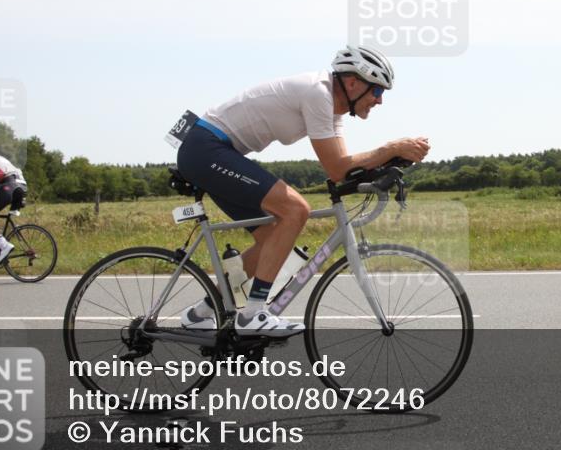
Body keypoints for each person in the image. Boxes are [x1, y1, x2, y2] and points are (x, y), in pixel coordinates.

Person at [177, 45, 429, 337]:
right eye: (377, 91)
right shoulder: (318, 94)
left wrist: (389, 163)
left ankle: (201, 313)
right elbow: (337, 168)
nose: (380, 100)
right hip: (207, 148)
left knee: (271, 235)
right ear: (352, 83)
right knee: (296, 210)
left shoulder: (332, 110)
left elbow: (344, 170)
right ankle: (253, 314)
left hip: (216, 152)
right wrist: (390, 148)